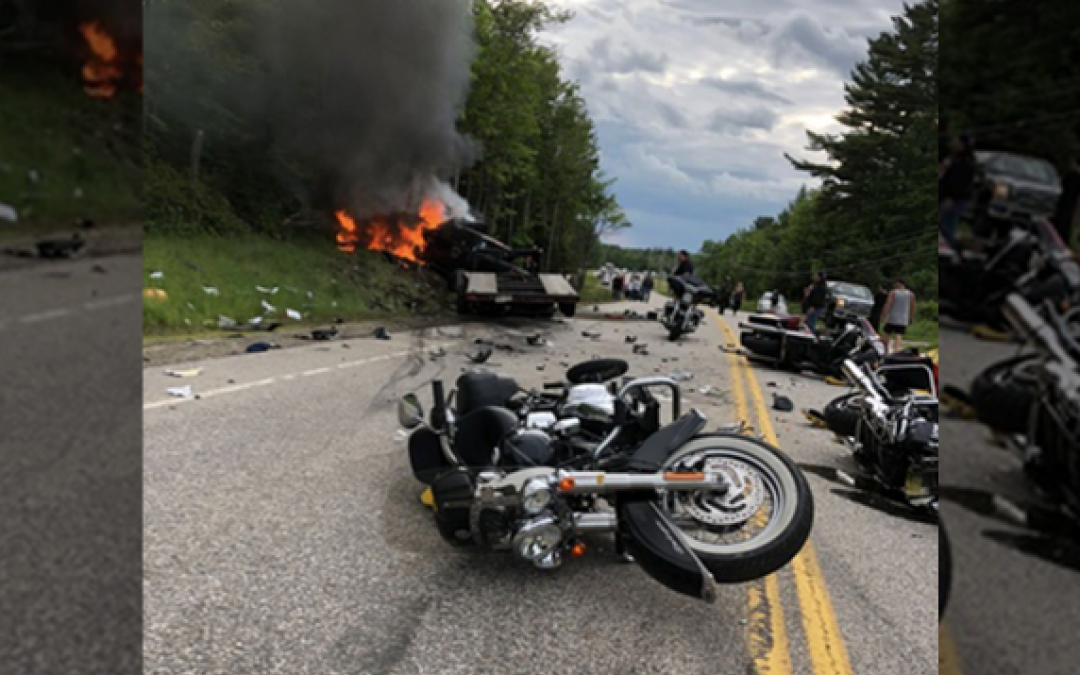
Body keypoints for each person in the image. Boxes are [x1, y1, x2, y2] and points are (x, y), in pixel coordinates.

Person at [939, 134, 976, 248]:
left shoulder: (965, 163)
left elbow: (959, 183)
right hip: (950, 196)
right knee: (944, 223)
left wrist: (951, 198)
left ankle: (951, 249)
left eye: (957, 142)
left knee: (947, 225)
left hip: (956, 198)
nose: (954, 144)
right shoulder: (953, 158)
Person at [880, 278, 916, 354]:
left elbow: (888, 304)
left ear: (899, 283)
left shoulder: (893, 292)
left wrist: (883, 315)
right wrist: (911, 318)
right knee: (899, 335)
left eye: (895, 283)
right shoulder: (911, 294)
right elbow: (913, 307)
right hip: (903, 319)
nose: (894, 285)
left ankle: (885, 350)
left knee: (886, 334)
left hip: (892, 318)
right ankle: (896, 351)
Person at [1053, 153, 1080, 250]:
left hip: (1064, 204)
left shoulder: (1071, 174)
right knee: (1064, 223)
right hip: (1067, 205)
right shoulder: (1075, 176)